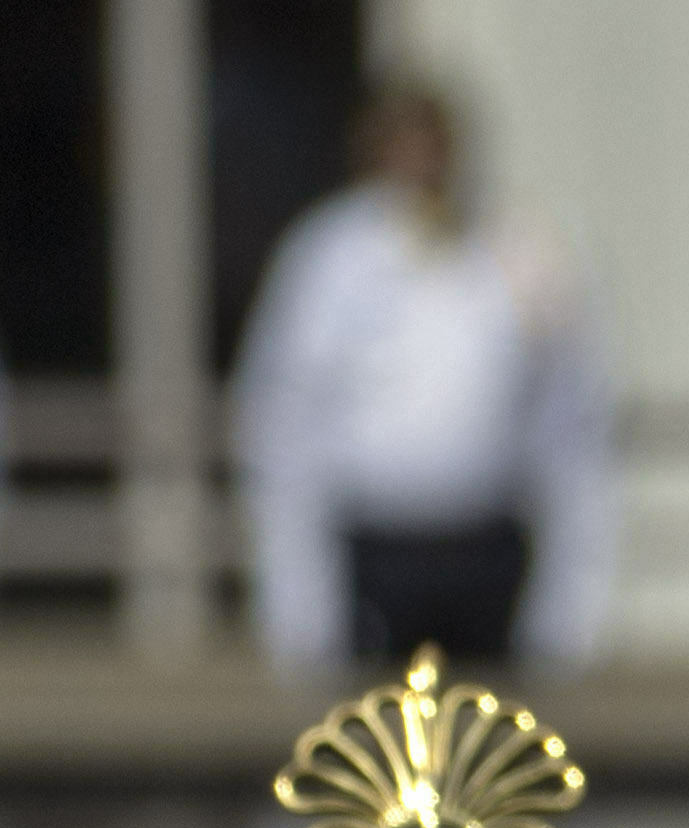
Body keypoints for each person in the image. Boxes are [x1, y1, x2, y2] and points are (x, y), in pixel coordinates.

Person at [233, 77, 616, 679]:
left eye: (433, 144)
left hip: (486, 549)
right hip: (377, 552)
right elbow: (284, 424)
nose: (422, 163)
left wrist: (572, 600)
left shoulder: (519, 249)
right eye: (403, 144)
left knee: (482, 750)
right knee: (383, 750)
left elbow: (572, 421)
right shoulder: (331, 256)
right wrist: (298, 602)